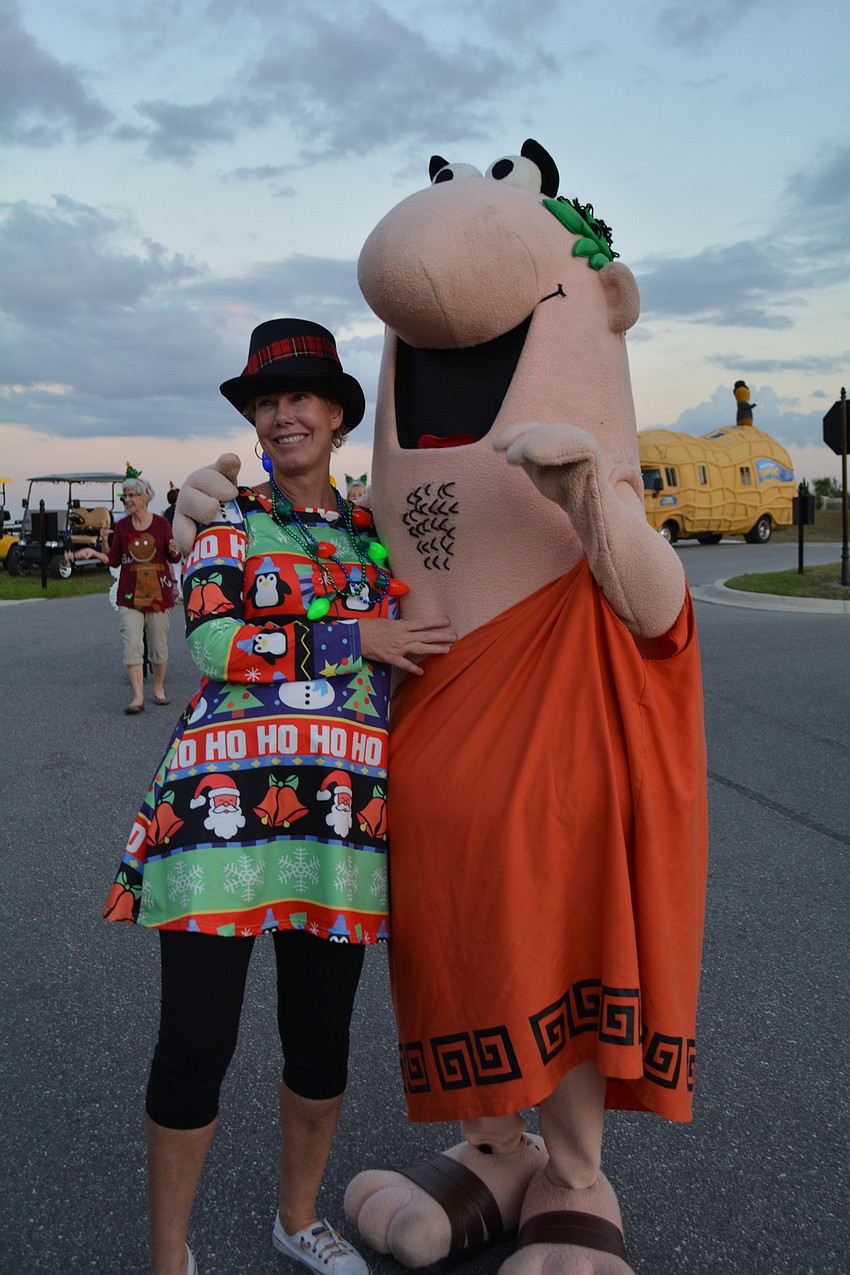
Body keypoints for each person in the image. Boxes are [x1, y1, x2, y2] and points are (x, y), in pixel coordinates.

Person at [102, 318, 456, 1275]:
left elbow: (449, 619)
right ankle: (168, 1257)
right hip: (216, 824)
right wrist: (355, 640)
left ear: (338, 416)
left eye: (301, 397)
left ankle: (296, 1217)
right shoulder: (226, 523)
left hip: (339, 824)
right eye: (267, 401)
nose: (283, 414)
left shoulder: (378, 536)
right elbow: (216, 643)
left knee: (321, 1040)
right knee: (195, 1043)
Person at [70, 467, 181, 713]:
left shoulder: (162, 524)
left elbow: (173, 557)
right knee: (132, 644)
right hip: (129, 596)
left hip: (159, 596)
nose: (127, 500)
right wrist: (96, 552)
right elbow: (115, 560)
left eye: (132, 495)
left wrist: (174, 550)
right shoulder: (121, 527)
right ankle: (138, 697)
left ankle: (159, 688)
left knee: (157, 647)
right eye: (125, 495)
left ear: (145, 497)